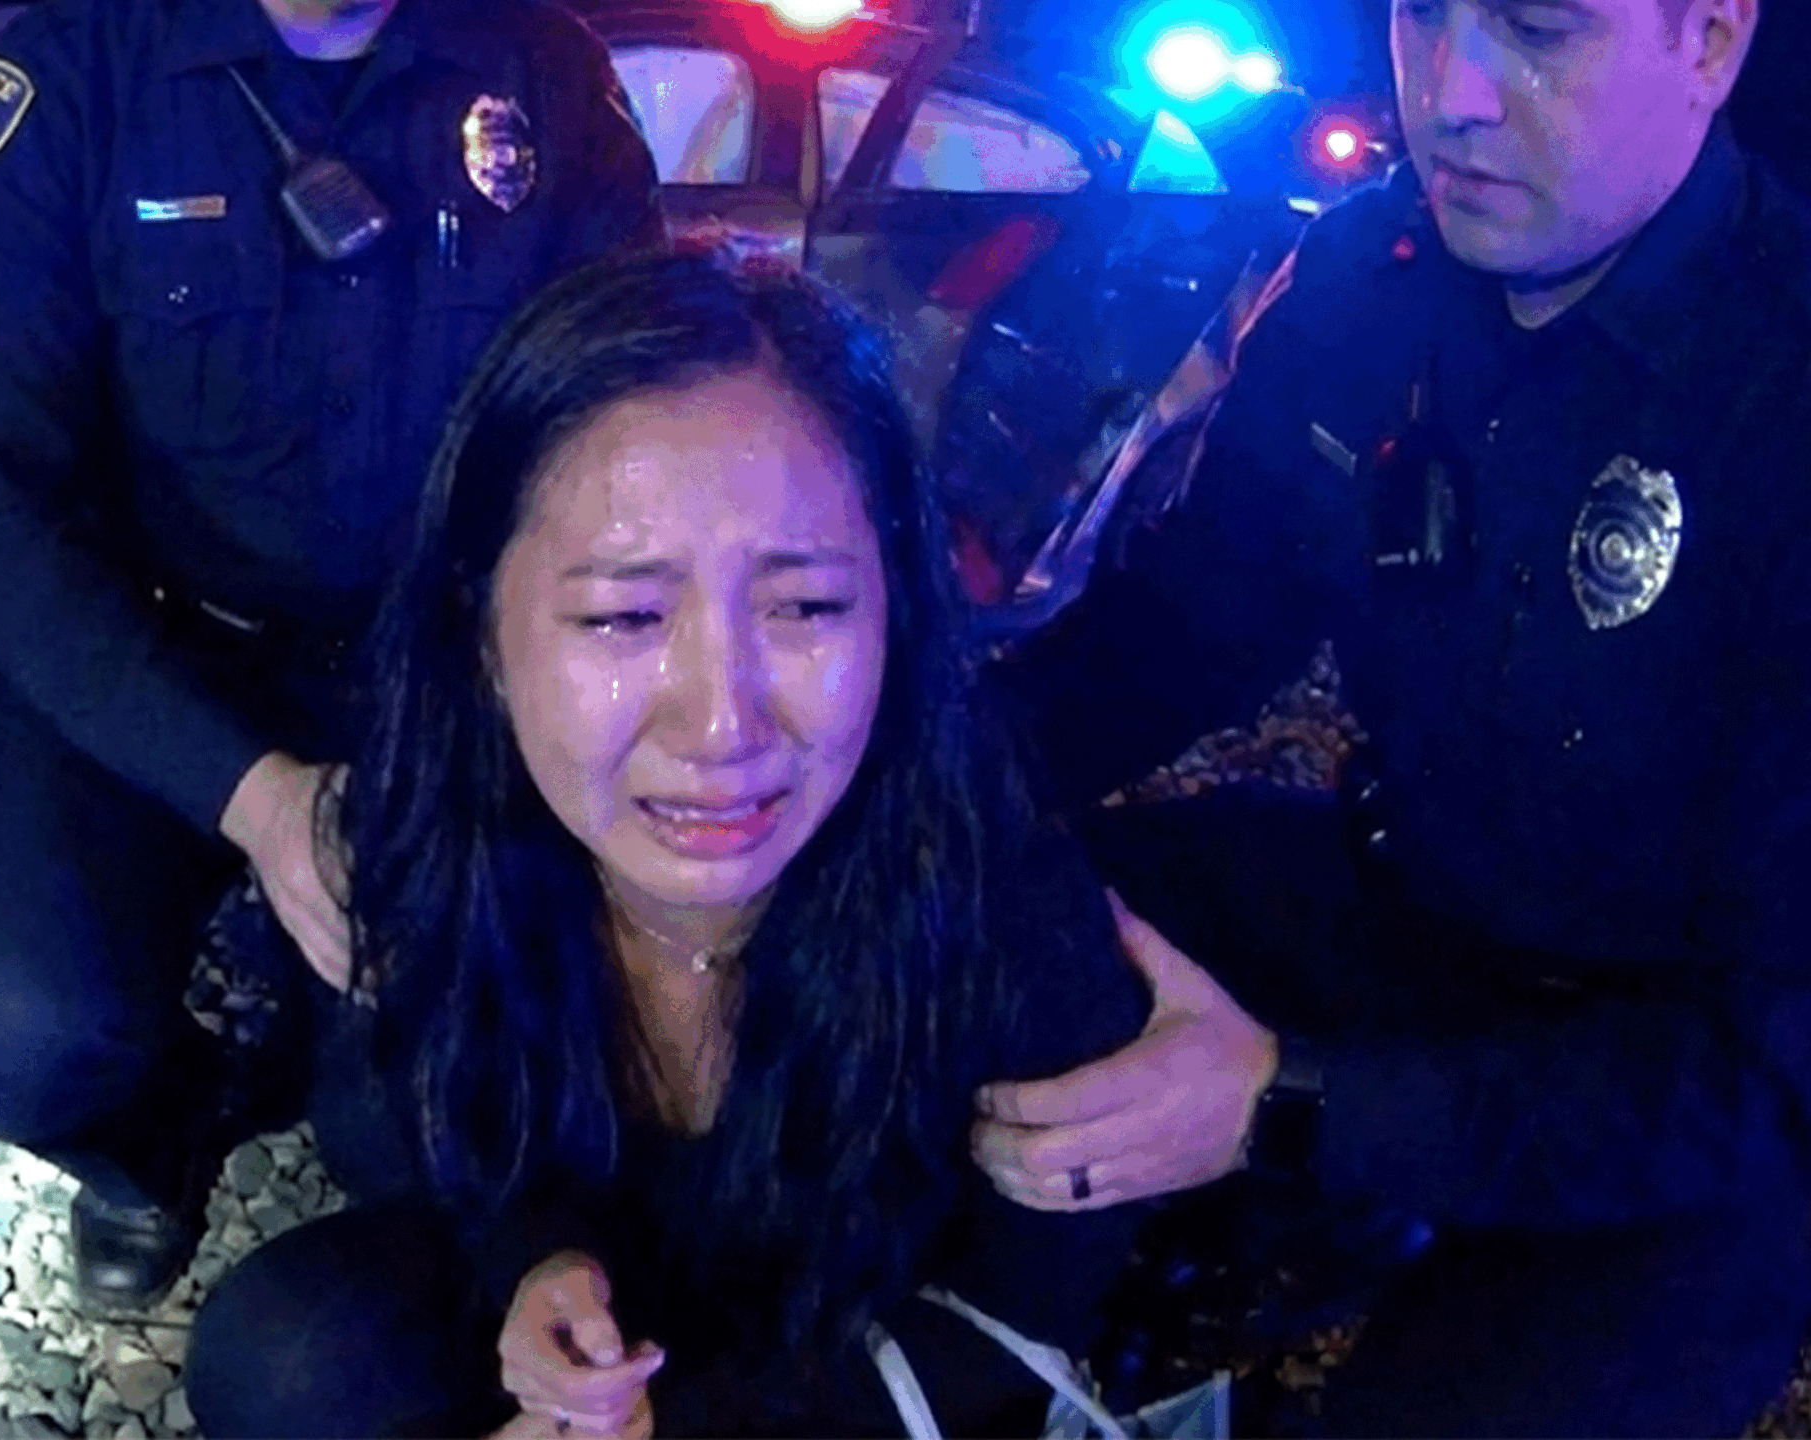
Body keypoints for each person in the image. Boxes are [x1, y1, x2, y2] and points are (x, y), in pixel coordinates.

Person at [973, 0, 1811, 1429]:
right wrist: (889, 782)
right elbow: (1177, 635)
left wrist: (1285, 1105)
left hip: (1677, 1106)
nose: (1453, 97)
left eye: (1540, 31)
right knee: (970, 929)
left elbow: (1761, 1069)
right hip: (1404, 913)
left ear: (1713, 39)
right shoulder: (1370, 280)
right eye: (1421, 14)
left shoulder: (1782, 400)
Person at [181, 248, 1156, 1437]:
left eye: (805, 607)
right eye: (624, 616)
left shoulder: (994, 889)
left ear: (896, 608)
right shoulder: (419, 842)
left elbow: (1023, 1318)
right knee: (287, 1355)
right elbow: (437, 1126)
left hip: (863, 1380)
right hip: (603, 1342)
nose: (722, 723)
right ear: (481, 631)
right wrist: (537, 1264)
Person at [0, 0, 662, 1310]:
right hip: (150, 654)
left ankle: (327, 1062)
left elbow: (631, 409)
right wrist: (260, 800)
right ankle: (158, 1138)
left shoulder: (543, 67)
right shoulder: (71, 78)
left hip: (433, 677)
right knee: (4, 1026)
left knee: (416, 1134)